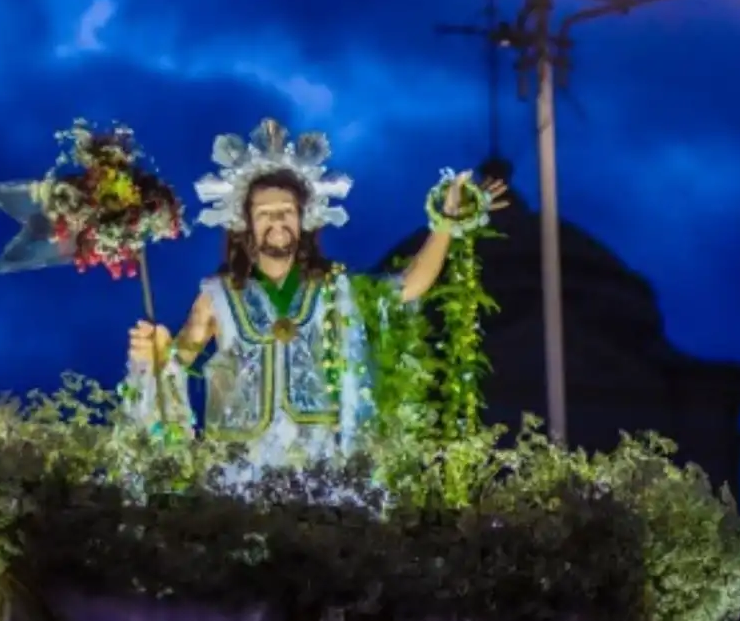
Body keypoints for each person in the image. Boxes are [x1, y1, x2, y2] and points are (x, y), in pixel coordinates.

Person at [124, 118, 505, 470]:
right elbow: (179, 359)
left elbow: (408, 286)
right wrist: (160, 354)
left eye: (287, 211)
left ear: (303, 219)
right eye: (265, 213)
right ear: (246, 225)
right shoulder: (217, 297)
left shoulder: (334, 290)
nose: (277, 221)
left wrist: (445, 224)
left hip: (319, 462)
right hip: (237, 464)